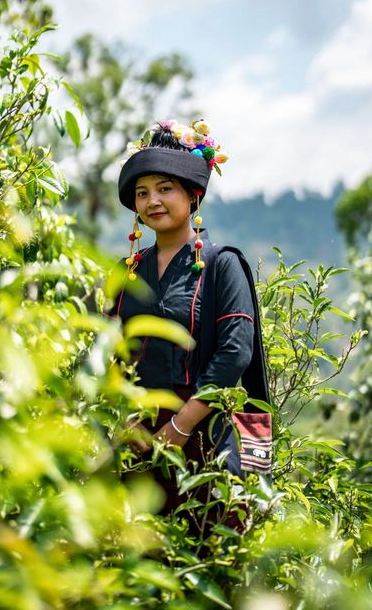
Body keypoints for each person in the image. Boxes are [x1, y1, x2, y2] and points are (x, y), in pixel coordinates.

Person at [110, 119, 269, 516]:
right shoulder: (126, 273)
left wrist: (180, 427)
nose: (152, 201)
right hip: (136, 440)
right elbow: (106, 350)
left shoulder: (222, 265)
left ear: (193, 194)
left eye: (165, 189)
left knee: (209, 538)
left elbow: (235, 353)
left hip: (205, 436)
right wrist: (126, 420)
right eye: (143, 193)